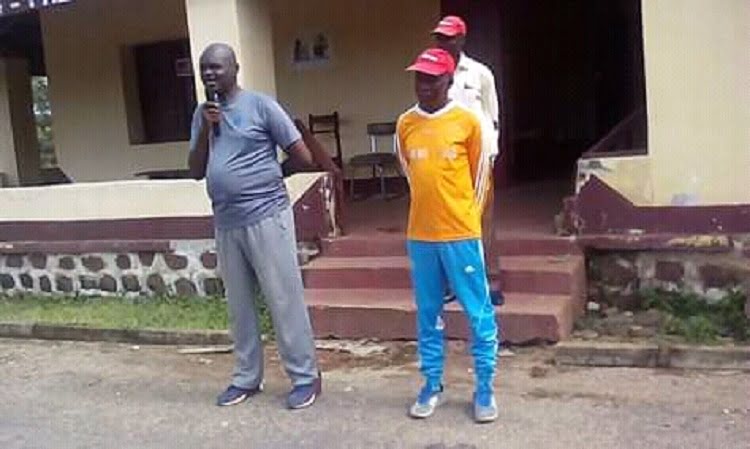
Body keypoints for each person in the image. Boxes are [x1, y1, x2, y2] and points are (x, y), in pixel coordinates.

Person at [188, 43, 321, 410]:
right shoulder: (203, 114)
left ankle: (305, 377)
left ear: (235, 68)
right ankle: (247, 378)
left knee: (283, 299)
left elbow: (304, 156)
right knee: (240, 305)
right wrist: (207, 130)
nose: (209, 73)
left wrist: (270, 177)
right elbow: (195, 170)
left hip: (267, 216)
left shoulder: (262, 106)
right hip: (226, 221)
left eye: (216, 67)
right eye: (204, 68)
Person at [397, 48, 499, 423]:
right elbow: (410, 174)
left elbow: (480, 179)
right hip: (421, 236)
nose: (423, 85)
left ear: (448, 81)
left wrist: (464, 220)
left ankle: (484, 388)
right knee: (428, 314)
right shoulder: (405, 123)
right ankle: (431, 384)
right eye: (419, 78)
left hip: (461, 235)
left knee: (478, 313)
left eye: (431, 79)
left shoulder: (468, 122)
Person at [432, 15, 503, 305]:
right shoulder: (431, 74)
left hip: (478, 157)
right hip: (445, 158)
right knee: (448, 221)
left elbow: (492, 117)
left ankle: (491, 280)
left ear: (461, 39)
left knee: (482, 217)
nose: (443, 42)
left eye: (449, 37)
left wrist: (491, 152)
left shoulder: (479, 73)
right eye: (439, 37)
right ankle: (454, 282)